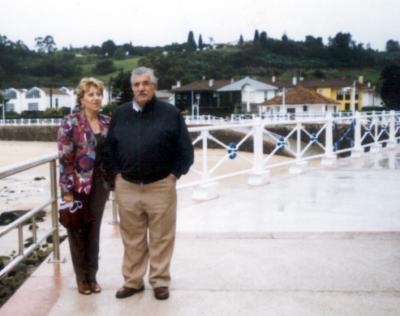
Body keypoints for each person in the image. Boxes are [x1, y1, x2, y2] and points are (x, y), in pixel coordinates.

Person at [103, 67, 194, 300]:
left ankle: (160, 281)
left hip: (161, 186)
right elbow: (109, 149)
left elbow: (186, 151)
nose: (141, 88)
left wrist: (174, 175)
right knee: (132, 238)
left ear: (154, 86)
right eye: (136, 84)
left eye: (146, 83)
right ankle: (133, 281)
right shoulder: (120, 114)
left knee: (161, 238)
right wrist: (116, 176)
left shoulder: (171, 114)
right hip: (128, 187)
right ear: (132, 88)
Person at [57, 77, 110, 295]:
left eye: (98, 94)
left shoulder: (108, 122)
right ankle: (81, 278)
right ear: (81, 98)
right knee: (77, 230)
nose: (96, 98)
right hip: (78, 185)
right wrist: (67, 191)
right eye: (91, 94)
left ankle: (92, 276)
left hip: (101, 184)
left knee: (94, 230)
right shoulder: (70, 122)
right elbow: (65, 158)